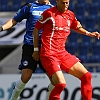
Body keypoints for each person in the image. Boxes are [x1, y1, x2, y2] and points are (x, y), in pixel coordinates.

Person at [32, 0, 100, 100]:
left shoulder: (70, 15)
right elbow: (36, 29)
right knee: (61, 84)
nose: (65, 5)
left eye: (67, 3)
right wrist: (36, 49)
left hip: (62, 53)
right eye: (63, 3)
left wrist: (88, 33)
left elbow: (76, 27)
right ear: (57, 2)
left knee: (87, 76)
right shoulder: (49, 13)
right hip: (49, 53)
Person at [0, 0, 54, 100]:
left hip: (46, 48)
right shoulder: (30, 7)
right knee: (26, 76)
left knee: (55, 80)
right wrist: (1, 28)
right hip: (30, 46)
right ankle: (13, 98)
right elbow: (14, 20)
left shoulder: (54, 9)